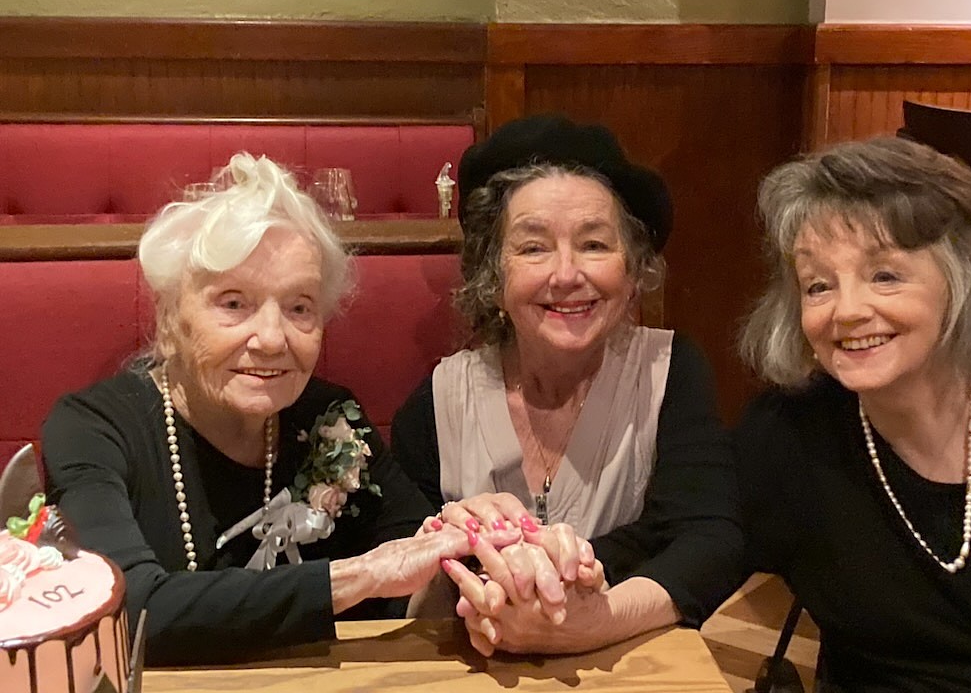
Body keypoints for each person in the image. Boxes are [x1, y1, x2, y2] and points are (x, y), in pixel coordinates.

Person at [42, 153, 507, 666]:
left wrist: (472, 558)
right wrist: (359, 575)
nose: (270, 339)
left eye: (299, 307)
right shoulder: (94, 428)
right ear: (170, 319)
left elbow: (412, 580)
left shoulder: (331, 419)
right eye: (234, 303)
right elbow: (125, 610)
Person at [390, 115, 742, 653]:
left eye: (595, 245)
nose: (566, 274)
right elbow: (403, 592)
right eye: (533, 248)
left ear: (631, 272)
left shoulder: (671, 373)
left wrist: (592, 622)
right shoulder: (437, 403)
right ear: (493, 276)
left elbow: (711, 542)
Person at [734, 137, 971, 690]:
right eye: (818, 286)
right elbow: (694, 551)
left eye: (884, 276)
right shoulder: (789, 434)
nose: (846, 311)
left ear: (963, 279)